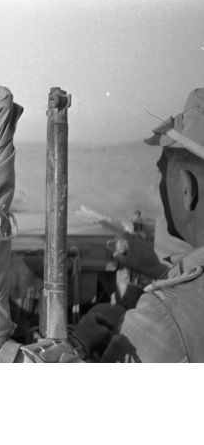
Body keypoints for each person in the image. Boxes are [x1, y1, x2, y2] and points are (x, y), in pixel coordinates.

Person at [76, 88, 204, 362]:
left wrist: (79, 344)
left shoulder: (165, 319)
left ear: (187, 187)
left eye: (162, 173)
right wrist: (154, 268)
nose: (160, 187)